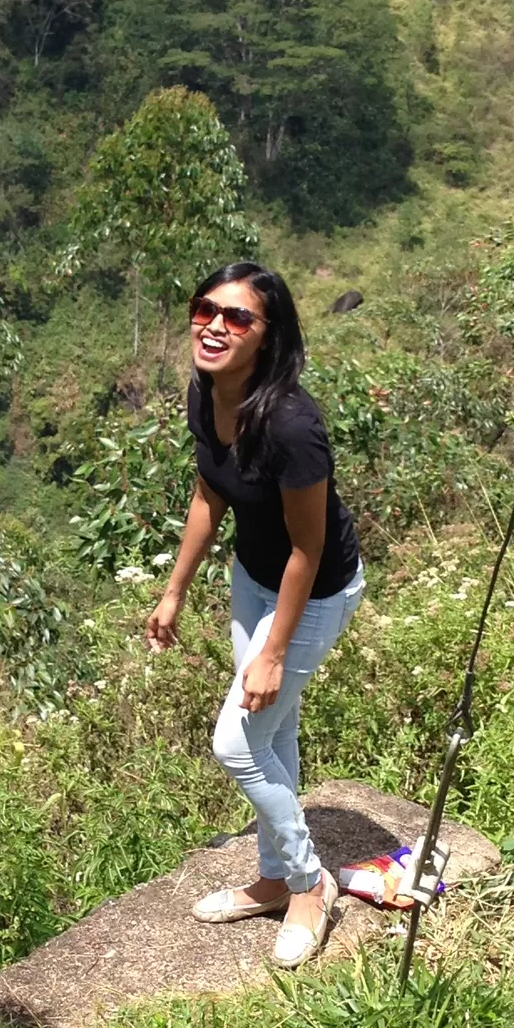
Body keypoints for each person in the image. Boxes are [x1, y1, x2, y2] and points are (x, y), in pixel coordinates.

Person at [145, 262, 365, 968]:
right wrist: (175, 589)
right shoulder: (206, 392)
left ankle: (307, 884)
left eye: (237, 317)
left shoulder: (294, 426)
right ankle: (274, 880)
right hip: (253, 578)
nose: (214, 325)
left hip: (315, 590)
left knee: (237, 742)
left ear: (267, 339)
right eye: (204, 308)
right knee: (274, 730)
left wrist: (272, 650)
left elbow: (310, 545)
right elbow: (210, 494)